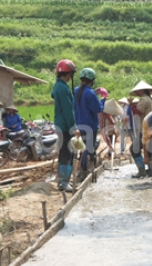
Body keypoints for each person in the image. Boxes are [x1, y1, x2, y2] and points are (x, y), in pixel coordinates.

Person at [51, 59, 80, 192]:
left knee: (63, 152)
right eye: (70, 74)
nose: (70, 77)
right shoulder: (63, 88)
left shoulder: (58, 86)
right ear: (68, 74)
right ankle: (64, 182)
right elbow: (68, 110)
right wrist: (73, 128)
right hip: (64, 126)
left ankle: (63, 180)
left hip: (60, 123)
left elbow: (53, 95)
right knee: (66, 154)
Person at [74, 68, 104, 180]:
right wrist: (103, 99)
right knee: (89, 148)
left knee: (85, 146)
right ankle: (85, 170)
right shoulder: (90, 93)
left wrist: (94, 93)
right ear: (92, 80)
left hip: (79, 124)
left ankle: (87, 170)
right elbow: (98, 109)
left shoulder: (76, 90)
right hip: (90, 125)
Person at [129, 80, 152, 178]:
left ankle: (142, 171)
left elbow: (138, 112)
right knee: (149, 151)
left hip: (145, 128)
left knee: (134, 149)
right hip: (150, 128)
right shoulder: (148, 99)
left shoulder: (144, 99)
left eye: (139, 91)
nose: (138, 92)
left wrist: (131, 105)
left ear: (142, 90)